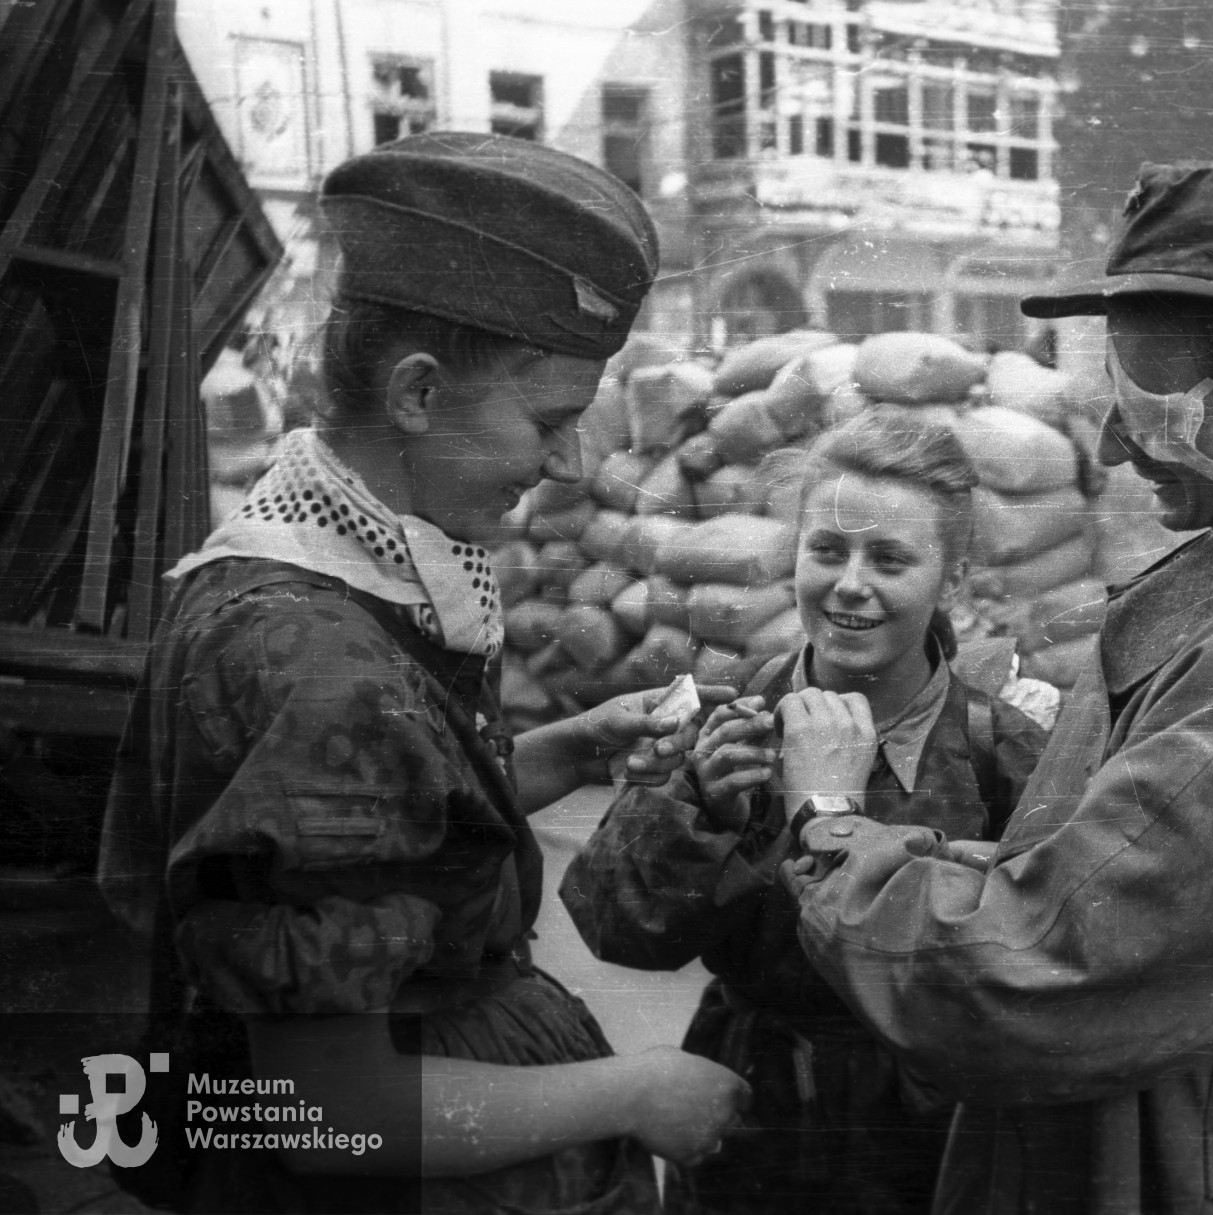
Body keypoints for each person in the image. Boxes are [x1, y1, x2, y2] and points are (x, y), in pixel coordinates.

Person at [777, 161, 1213, 1215]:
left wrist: (830, 824)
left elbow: (1021, 976)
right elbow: (1146, 900)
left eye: (1153, 410)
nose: (1107, 443)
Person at [96, 131, 750, 1214]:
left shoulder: (315, 572)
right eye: (549, 420)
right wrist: (635, 1090)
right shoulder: (318, 665)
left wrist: (568, 748)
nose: (570, 461)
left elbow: (394, 826)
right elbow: (320, 1109)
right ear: (417, 393)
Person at [561, 408, 1049, 1215]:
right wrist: (701, 810)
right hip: (749, 1121)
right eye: (826, 549)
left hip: (928, 1138)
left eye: (889, 558)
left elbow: (1034, 973)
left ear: (953, 579)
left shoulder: (1003, 752)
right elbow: (613, 927)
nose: (850, 583)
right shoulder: (730, 714)